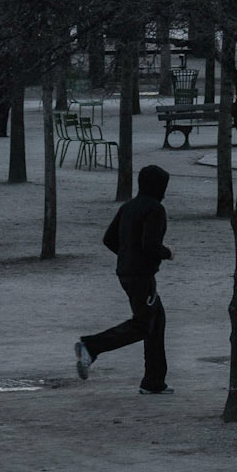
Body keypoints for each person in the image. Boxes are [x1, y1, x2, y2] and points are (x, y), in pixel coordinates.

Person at [74, 163, 174, 394]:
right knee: (142, 325)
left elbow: (109, 239)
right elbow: (150, 245)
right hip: (141, 275)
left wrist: (128, 255)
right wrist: (166, 252)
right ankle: (91, 346)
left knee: (156, 321)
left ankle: (154, 381)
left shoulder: (128, 207)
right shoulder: (155, 209)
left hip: (126, 272)